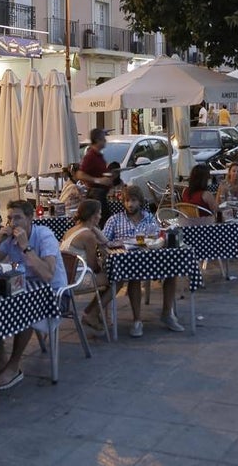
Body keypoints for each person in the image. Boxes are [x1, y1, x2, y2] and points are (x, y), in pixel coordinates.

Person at [0, 200, 67, 391]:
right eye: (10, 218)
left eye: (18, 217)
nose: (13, 223)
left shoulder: (44, 235)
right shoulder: (9, 239)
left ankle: (14, 367)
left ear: (30, 218)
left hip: (54, 295)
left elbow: (47, 275)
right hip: (23, 290)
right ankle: (1, 359)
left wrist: (26, 247)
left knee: (26, 309)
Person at [102, 185, 183, 336]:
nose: (130, 204)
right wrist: (114, 244)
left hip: (150, 258)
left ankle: (167, 313)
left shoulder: (149, 217)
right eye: (127, 201)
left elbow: (157, 236)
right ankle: (137, 320)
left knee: (173, 270)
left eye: (133, 200)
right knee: (135, 276)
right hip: (126, 262)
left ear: (140, 201)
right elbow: (104, 240)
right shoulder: (115, 219)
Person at [58, 200, 113, 332]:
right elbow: (92, 265)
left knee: (108, 277)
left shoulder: (72, 230)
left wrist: (93, 226)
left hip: (65, 276)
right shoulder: (88, 236)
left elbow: (105, 241)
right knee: (116, 279)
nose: (100, 216)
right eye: (99, 214)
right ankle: (92, 314)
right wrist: (101, 264)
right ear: (93, 216)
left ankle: (91, 312)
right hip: (77, 279)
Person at [75, 128, 113, 206]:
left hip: (101, 194)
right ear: (97, 140)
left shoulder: (99, 155)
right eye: (103, 139)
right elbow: (80, 174)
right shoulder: (90, 156)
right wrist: (98, 180)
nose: (105, 141)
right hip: (96, 195)